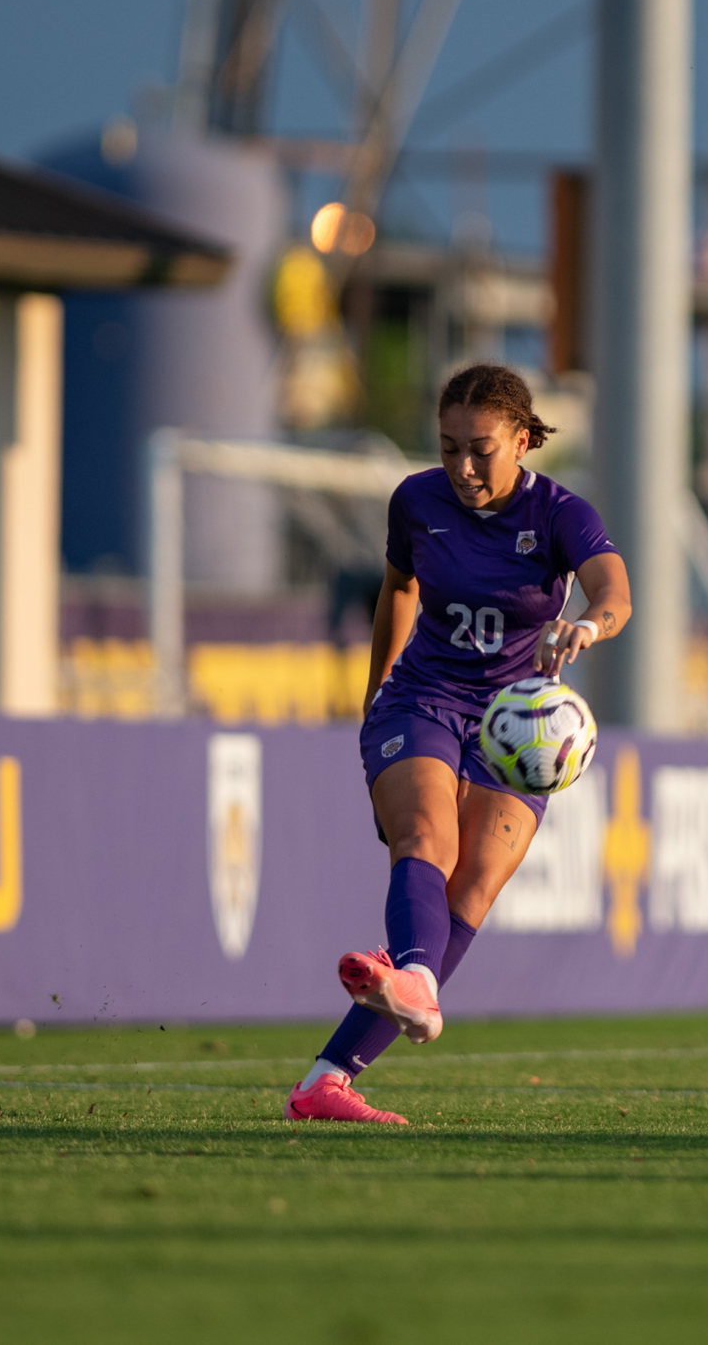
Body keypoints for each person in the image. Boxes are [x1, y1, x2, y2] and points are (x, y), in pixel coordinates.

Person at [285, 363, 633, 1125]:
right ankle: (413, 978)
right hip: (423, 699)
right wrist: (373, 691)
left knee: (468, 891)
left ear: (520, 439)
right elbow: (399, 589)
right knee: (426, 838)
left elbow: (614, 588)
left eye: (480, 449)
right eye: (448, 449)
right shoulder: (415, 500)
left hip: (516, 724)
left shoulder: (560, 513)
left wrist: (588, 623)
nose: (464, 467)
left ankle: (325, 1081)